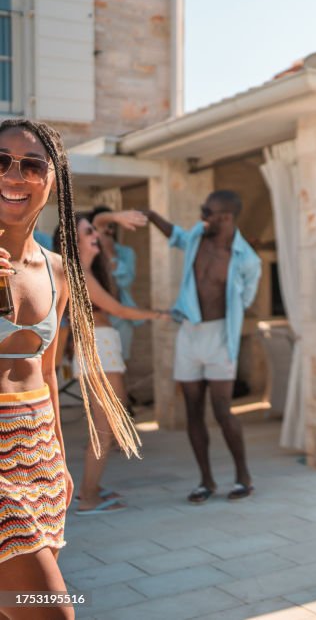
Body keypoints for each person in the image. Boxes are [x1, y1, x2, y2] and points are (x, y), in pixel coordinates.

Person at [0, 119, 139, 617]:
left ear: (53, 178)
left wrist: (58, 462)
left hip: (39, 458)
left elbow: (47, 371)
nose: (15, 175)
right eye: (2, 161)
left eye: (32, 164)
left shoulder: (60, 270)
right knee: (52, 609)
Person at [142, 191, 262, 503]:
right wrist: (152, 217)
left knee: (223, 411)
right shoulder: (198, 235)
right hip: (189, 333)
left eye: (206, 211)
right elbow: (177, 236)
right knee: (193, 410)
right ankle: (205, 481)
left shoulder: (247, 260)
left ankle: (243, 477)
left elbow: (245, 299)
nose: (201, 215)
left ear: (225, 217)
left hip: (220, 337)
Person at [53, 213, 169, 515]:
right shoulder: (78, 273)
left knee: (107, 427)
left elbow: (100, 223)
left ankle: (92, 489)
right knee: (105, 429)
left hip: (101, 347)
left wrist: (112, 217)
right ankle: (88, 497)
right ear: (74, 242)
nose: (97, 234)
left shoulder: (86, 270)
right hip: (98, 349)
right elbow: (117, 309)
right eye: (88, 231)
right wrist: (159, 315)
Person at [88, 206, 147, 364]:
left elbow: (126, 282)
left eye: (111, 227)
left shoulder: (126, 253)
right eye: (104, 227)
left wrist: (111, 255)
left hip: (121, 317)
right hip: (95, 316)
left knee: (119, 362)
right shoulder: (87, 252)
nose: (108, 231)